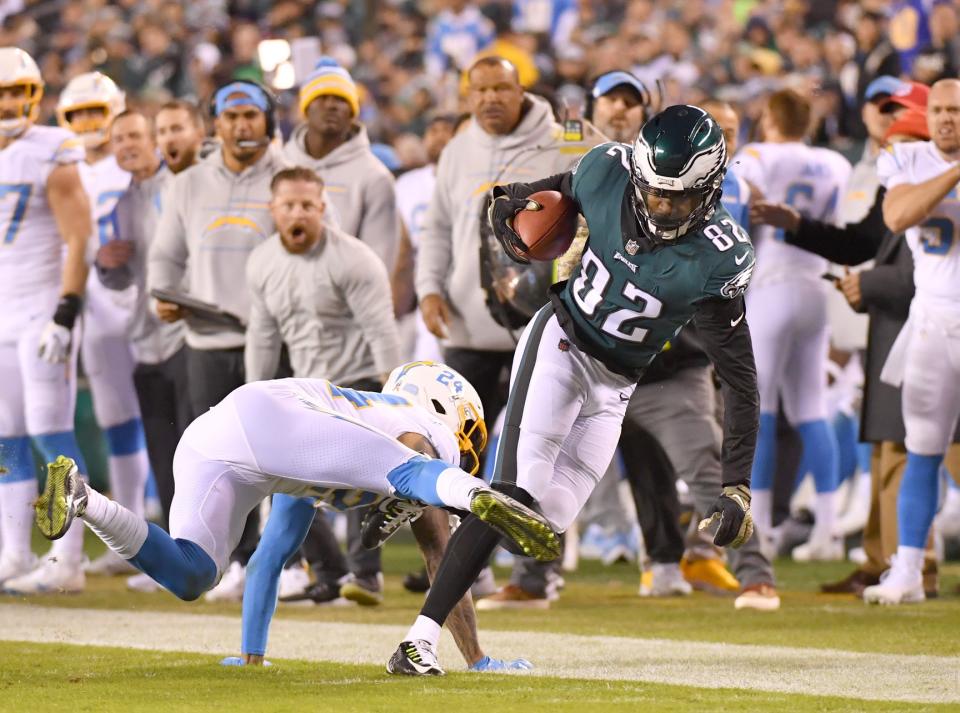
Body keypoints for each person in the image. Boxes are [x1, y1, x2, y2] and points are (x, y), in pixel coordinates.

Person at [388, 104, 759, 676]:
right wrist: (515, 226)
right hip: (562, 342)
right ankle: (418, 641)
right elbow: (516, 201)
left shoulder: (720, 256)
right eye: (654, 192)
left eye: (677, 197)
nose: (661, 207)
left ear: (710, 188)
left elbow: (738, 375)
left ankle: (442, 496)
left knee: (540, 526)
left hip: (618, 384)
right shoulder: (605, 171)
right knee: (516, 492)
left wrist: (736, 484)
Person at [33, 364, 559, 604]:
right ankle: (480, 495)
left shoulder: (322, 454)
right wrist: (457, 491)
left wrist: (251, 655)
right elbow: (415, 455)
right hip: (273, 420)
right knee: (411, 470)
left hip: (215, 438)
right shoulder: (421, 423)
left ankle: (86, 499)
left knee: (194, 576)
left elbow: (272, 555)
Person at [227, 363, 533, 673]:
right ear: (438, 403)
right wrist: (477, 659)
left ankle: (251, 656)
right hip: (319, 443)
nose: (462, 440)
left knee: (265, 551)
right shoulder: (415, 430)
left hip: (293, 446)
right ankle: (409, 497)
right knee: (428, 499)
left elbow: (267, 558)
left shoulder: (378, 415)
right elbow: (442, 557)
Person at [148, 79, 287, 600]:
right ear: (217, 125)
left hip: (269, 340)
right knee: (216, 460)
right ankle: (216, 561)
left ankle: (268, 562)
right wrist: (159, 297)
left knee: (274, 458)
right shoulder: (187, 185)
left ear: (268, 122)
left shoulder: (288, 176)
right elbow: (164, 258)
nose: (241, 125)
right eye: (231, 118)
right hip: (205, 342)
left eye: (251, 115)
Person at [416, 56, 590, 472]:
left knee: (539, 448)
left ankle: (532, 536)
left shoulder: (566, 142)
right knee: (455, 449)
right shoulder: (457, 149)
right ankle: (458, 535)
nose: (491, 97)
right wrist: (429, 289)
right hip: (467, 324)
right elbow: (437, 228)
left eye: (501, 88)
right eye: (481, 89)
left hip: (544, 322)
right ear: (468, 95)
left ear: (521, 91)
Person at [244, 166, 401, 605]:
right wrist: (255, 396)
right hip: (305, 387)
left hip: (359, 381)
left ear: (322, 207)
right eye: (290, 205)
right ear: (272, 210)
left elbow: (380, 328)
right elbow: (262, 335)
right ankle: (331, 573)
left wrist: (394, 394)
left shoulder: (354, 259)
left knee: (365, 477)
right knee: (285, 478)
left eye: (308, 205)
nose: (299, 213)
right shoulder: (261, 262)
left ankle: (366, 575)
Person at [41, 72, 152, 584]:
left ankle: (142, 527)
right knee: (112, 417)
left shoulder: (124, 165)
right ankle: (123, 532)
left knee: (139, 415)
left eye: (95, 112)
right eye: (78, 114)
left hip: (130, 298)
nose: (88, 123)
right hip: (82, 301)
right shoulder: (62, 168)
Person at [733, 88, 852, 562]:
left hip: (774, 280)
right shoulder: (836, 163)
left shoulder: (760, 152)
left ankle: (758, 525)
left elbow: (737, 186)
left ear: (769, 119)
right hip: (817, 282)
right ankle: (828, 528)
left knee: (758, 405)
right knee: (812, 407)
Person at [864, 78, 960, 605]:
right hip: (933, 323)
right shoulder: (907, 157)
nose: (947, 118)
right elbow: (899, 216)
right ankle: (905, 571)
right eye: (940, 109)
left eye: (956, 111)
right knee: (921, 447)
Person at [0, 48, 92, 592]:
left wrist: (67, 308)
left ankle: (68, 559)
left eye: (17, 92)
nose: (10, 103)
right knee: (5, 437)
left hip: (41, 308)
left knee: (48, 431)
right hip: (1, 310)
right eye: (2, 92)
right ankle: (13, 550)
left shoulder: (52, 149)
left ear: (34, 96)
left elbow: (80, 235)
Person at [95, 101, 205, 539]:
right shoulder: (122, 202)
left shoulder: (182, 185)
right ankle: (176, 548)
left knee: (197, 449)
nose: (127, 145)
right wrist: (106, 266)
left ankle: (220, 546)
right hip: (146, 337)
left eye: (135, 136)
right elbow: (122, 282)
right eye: (118, 139)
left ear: (154, 140)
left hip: (187, 332)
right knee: (161, 450)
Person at [283, 58, 401, 273]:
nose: (330, 105)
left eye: (340, 99)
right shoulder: (280, 166)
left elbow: (377, 266)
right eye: (321, 97)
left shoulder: (375, 177)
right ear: (306, 109)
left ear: (353, 112)